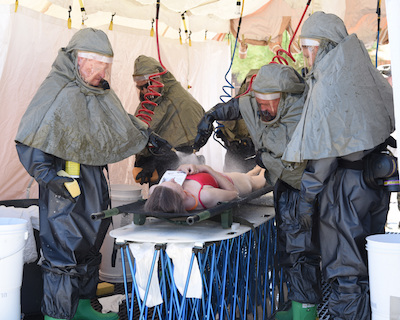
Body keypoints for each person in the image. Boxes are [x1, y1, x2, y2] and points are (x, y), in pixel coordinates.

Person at [15, 28, 172, 320]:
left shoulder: (98, 91)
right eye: (94, 64)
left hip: (94, 179)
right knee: (65, 252)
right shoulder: (56, 90)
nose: (101, 71)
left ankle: (85, 305)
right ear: (76, 60)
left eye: (105, 65)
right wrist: (50, 177)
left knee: (91, 242)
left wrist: (145, 136)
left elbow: (118, 122)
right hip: (66, 184)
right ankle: (58, 315)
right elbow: (31, 137)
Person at [282, 12, 395, 320]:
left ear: (327, 45)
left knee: (346, 271)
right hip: (374, 182)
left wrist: (306, 198)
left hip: (345, 188)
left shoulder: (330, 84)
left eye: (309, 46)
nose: (305, 54)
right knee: (369, 261)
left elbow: (324, 153)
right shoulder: (363, 72)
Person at [194, 63, 321, 319]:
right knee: (286, 246)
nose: (264, 109)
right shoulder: (257, 104)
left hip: (304, 187)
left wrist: (264, 158)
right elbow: (239, 106)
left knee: (301, 250)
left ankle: (307, 312)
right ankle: (297, 305)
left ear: (283, 98)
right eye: (259, 102)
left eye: (269, 104)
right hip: (282, 185)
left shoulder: (301, 112)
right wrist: (212, 115)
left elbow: (294, 158)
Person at [132, 55, 205, 185]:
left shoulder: (177, 100)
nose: (144, 91)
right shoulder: (153, 99)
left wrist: (154, 159)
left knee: (174, 200)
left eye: (146, 86)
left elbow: (189, 142)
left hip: (178, 165)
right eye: (140, 88)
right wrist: (144, 159)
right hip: (160, 163)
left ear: (157, 78)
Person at [144, 163, 266, 213]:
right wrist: (207, 169)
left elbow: (157, 190)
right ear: (181, 195)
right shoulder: (205, 196)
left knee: (245, 175)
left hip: (214, 177)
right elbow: (234, 192)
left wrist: (182, 167)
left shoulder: (158, 192)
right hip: (231, 182)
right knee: (257, 180)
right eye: (174, 184)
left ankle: (255, 169)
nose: (172, 179)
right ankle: (263, 169)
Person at [214, 69, 258, 172]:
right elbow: (223, 126)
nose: (251, 87)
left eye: (256, 83)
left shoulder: (269, 107)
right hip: (235, 157)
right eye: (249, 83)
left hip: (256, 159)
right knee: (231, 183)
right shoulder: (234, 105)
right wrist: (226, 138)